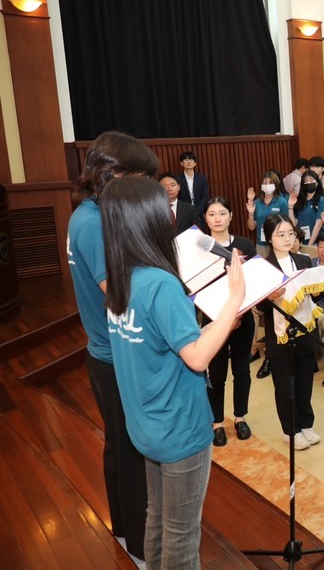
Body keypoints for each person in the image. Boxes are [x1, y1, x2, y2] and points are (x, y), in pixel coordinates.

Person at [100, 176, 244, 569]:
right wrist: (234, 297)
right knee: (182, 540)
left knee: (159, 522)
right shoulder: (160, 283)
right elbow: (197, 358)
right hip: (179, 428)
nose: (169, 215)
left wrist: (216, 326)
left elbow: (162, 343)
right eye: (161, 209)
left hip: (146, 425)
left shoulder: (120, 278)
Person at [66, 131, 156, 562]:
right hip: (114, 353)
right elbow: (117, 296)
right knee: (133, 448)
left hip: (104, 349)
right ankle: (140, 547)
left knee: (119, 445)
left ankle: (122, 527)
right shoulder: (92, 224)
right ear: (110, 175)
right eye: (135, 178)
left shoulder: (86, 215)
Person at [259, 214, 320, 451]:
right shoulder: (262, 266)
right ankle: (290, 430)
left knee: (305, 381)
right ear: (269, 238)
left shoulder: (304, 260)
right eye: (280, 235)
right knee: (285, 385)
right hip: (279, 335)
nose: (286, 239)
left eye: (290, 234)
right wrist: (269, 297)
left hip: (305, 330)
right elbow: (259, 306)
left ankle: (306, 424)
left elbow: (313, 292)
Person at [202, 197, 257, 447]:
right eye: (212, 214)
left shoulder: (245, 244)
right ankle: (216, 422)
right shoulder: (200, 249)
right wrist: (223, 317)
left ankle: (240, 417)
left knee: (242, 370)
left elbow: (255, 282)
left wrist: (237, 314)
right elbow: (197, 289)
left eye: (222, 213)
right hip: (213, 320)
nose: (217, 219)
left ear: (231, 216)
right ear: (205, 218)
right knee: (216, 372)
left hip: (242, 316)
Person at [246, 171, 288, 247]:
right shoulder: (256, 203)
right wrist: (251, 213)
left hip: (278, 243)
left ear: (275, 184)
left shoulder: (282, 202)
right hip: (261, 244)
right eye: (264, 183)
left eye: (270, 183)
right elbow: (251, 227)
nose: (267, 185)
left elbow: (287, 224)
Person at [290, 170, 324, 242]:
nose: (309, 183)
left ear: (317, 183)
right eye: (306, 181)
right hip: (300, 242)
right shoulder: (299, 200)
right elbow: (293, 224)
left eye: (311, 180)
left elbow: (318, 225)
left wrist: (310, 245)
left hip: (316, 242)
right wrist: (290, 207)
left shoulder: (322, 200)